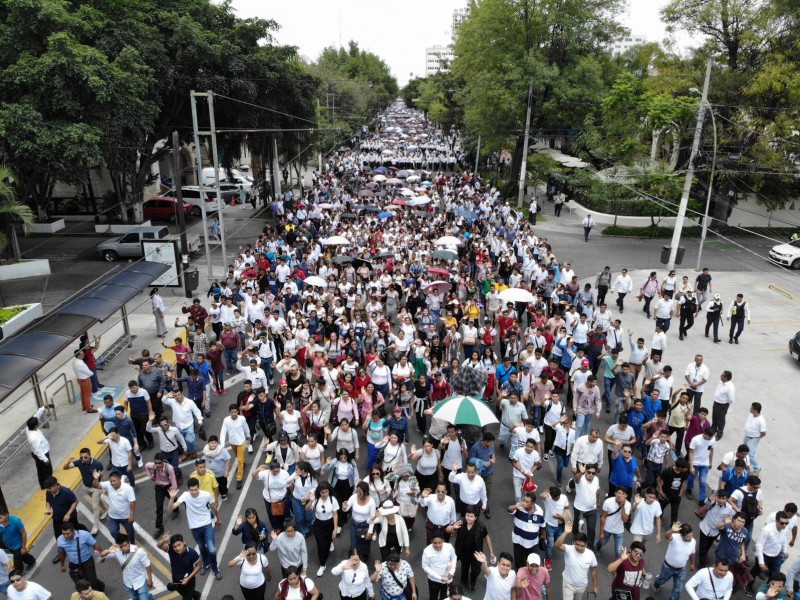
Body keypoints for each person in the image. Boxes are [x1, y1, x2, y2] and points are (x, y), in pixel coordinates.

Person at [167, 478, 222, 581]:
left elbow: (213, 507)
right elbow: (171, 508)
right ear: (188, 489)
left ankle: (215, 568)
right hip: (194, 528)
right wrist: (171, 498)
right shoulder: (185, 496)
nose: (194, 492)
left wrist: (218, 518)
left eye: (195, 489)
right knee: (202, 548)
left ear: (198, 488)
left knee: (212, 550)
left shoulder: (206, 495)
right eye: (191, 490)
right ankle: (206, 563)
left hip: (207, 525)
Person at [63, 448, 109, 535]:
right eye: (81, 457)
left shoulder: (97, 464)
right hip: (86, 487)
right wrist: (68, 462)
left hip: (96, 488)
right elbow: (65, 468)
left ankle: (95, 526)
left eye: (85, 457)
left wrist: (104, 487)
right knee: (97, 500)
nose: (83, 459)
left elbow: (103, 476)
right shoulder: (79, 462)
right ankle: (106, 508)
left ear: (90, 455)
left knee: (95, 507)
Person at [452, 505, 494, 591]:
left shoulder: (481, 526)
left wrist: (491, 552)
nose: (469, 518)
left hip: (476, 554)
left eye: (471, 516)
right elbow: (450, 530)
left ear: (476, 517)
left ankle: (473, 580)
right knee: (464, 568)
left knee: (475, 570)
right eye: (467, 515)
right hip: (463, 552)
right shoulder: (460, 522)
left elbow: (487, 537)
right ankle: (463, 581)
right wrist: (453, 527)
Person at [100, 534, 154, 600]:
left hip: (140, 581)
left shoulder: (139, 552)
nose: (123, 548)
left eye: (125, 545)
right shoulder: (117, 551)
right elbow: (102, 555)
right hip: (128, 583)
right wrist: (109, 551)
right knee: (135, 598)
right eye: (121, 547)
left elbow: (147, 565)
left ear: (129, 542)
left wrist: (150, 579)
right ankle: (150, 597)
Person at [56, 522, 105, 593]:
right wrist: (62, 565)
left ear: (73, 531)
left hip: (87, 562)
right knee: (81, 584)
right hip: (74, 564)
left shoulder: (84, 535)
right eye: (63, 534)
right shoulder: (60, 540)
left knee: (93, 582)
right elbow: (62, 553)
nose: (65, 536)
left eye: (68, 533)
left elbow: (95, 545)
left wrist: (102, 555)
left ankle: (101, 588)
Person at [652, 522, 696, 600]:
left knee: (677, 590)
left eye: (692, 535)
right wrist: (671, 530)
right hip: (668, 568)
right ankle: (657, 582)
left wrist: (692, 564)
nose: (691, 538)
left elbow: (692, 553)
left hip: (681, 570)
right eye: (688, 536)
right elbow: (667, 536)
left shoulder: (693, 541)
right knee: (662, 580)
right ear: (682, 535)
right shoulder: (675, 538)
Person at [555, 522, 599, 600]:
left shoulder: (591, 554)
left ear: (586, 545)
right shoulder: (569, 549)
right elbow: (557, 545)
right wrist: (566, 532)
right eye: (577, 544)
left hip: (582, 586)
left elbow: (593, 570)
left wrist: (595, 586)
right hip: (568, 585)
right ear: (573, 542)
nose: (579, 547)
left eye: (582, 545)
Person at [157, 533, 202, 600]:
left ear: (184, 542)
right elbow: (159, 546)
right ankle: (196, 595)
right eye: (174, 546)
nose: (177, 548)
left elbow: (199, 565)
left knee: (187, 596)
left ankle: (194, 595)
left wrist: (188, 578)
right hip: (176, 580)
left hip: (189, 581)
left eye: (179, 545)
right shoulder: (170, 550)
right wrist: (163, 540)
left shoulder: (192, 553)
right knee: (183, 593)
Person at [144, 453, 178, 539]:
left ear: (163, 462)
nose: (157, 465)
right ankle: (160, 527)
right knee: (159, 507)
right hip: (159, 487)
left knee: (173, 500)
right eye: (156, 463)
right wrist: (150, 476)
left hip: (168, 487)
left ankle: (176, 509)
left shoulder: (169, 468)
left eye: (159, 463)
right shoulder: (153, 466)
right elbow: (146, 466)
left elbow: (173, 481)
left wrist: (173, 493)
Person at [508, 492, 545, 571]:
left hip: (533, 542)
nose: (524, 502)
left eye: (527, 501)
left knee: (535, 562)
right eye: (523, 500)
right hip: (518, 541)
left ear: (533, 503)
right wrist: (516, 506)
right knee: (519, 561)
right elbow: (509, 509)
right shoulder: (519, 507)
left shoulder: (539, 511)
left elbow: (542, 524)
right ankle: (520, 575)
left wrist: (543, 535)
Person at [219, 403, 252, 490]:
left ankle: (239, 479)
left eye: (235, 412)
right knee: (238, 456)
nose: (233, 414)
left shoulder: (242, 419)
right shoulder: (226, 420)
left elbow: (246, 428)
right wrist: (222, 444)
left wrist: (248, 436)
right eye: (232, 412)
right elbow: (223, 432)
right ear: (229, 412)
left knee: (239, 461)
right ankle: (243, 463)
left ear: (238, 411)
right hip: (232, 442)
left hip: (241, 442)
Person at [422, 529, 457, 600]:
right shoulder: (427, 551)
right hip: (433, 580)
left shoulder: (449, 547)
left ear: (443, 541)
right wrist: (439, 578)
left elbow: (454, 558)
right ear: (431, 541)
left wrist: (452, 571)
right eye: (435, 543)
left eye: (439, 542)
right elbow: (425, 566)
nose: (437, 545)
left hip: (447, 579)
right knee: (433, 598)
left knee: (445, 598)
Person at [596, 488, 631, 558]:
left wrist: (622, 507)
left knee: (618, 551)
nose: (621, 495)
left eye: (623, 494)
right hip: (607, 528)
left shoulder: (628, 504)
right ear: (615, 493)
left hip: (619, 530)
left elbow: (625, 520)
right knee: (603, 542)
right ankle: (598, 545)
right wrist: (601, 532)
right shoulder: (608, 502)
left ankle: (616, 564)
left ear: (626, 496)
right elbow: (603, 517)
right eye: (619, 493)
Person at [26, 405, 55, 490]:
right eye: (37, 423)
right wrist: (45, 459)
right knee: (47, 471)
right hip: (42, 455)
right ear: (35, 426)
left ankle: (43, 485)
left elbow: (36, 415)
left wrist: (43, 407)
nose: (39, 423)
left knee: (41, 470)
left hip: (39, 453)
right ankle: (49, 485)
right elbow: (38, 450)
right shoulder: (34, 438)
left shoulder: (29, 428)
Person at [743, 402, 767, 475]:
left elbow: (763, 433)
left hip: (753, 439)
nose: (750, 408)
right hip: (747, 436)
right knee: (744, 451)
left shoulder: (761, 421)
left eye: (751, 408)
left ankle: (757, 468)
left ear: (755, 410)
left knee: (750, 454)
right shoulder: (751, 414)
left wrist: (757, 438)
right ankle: (744, 464)